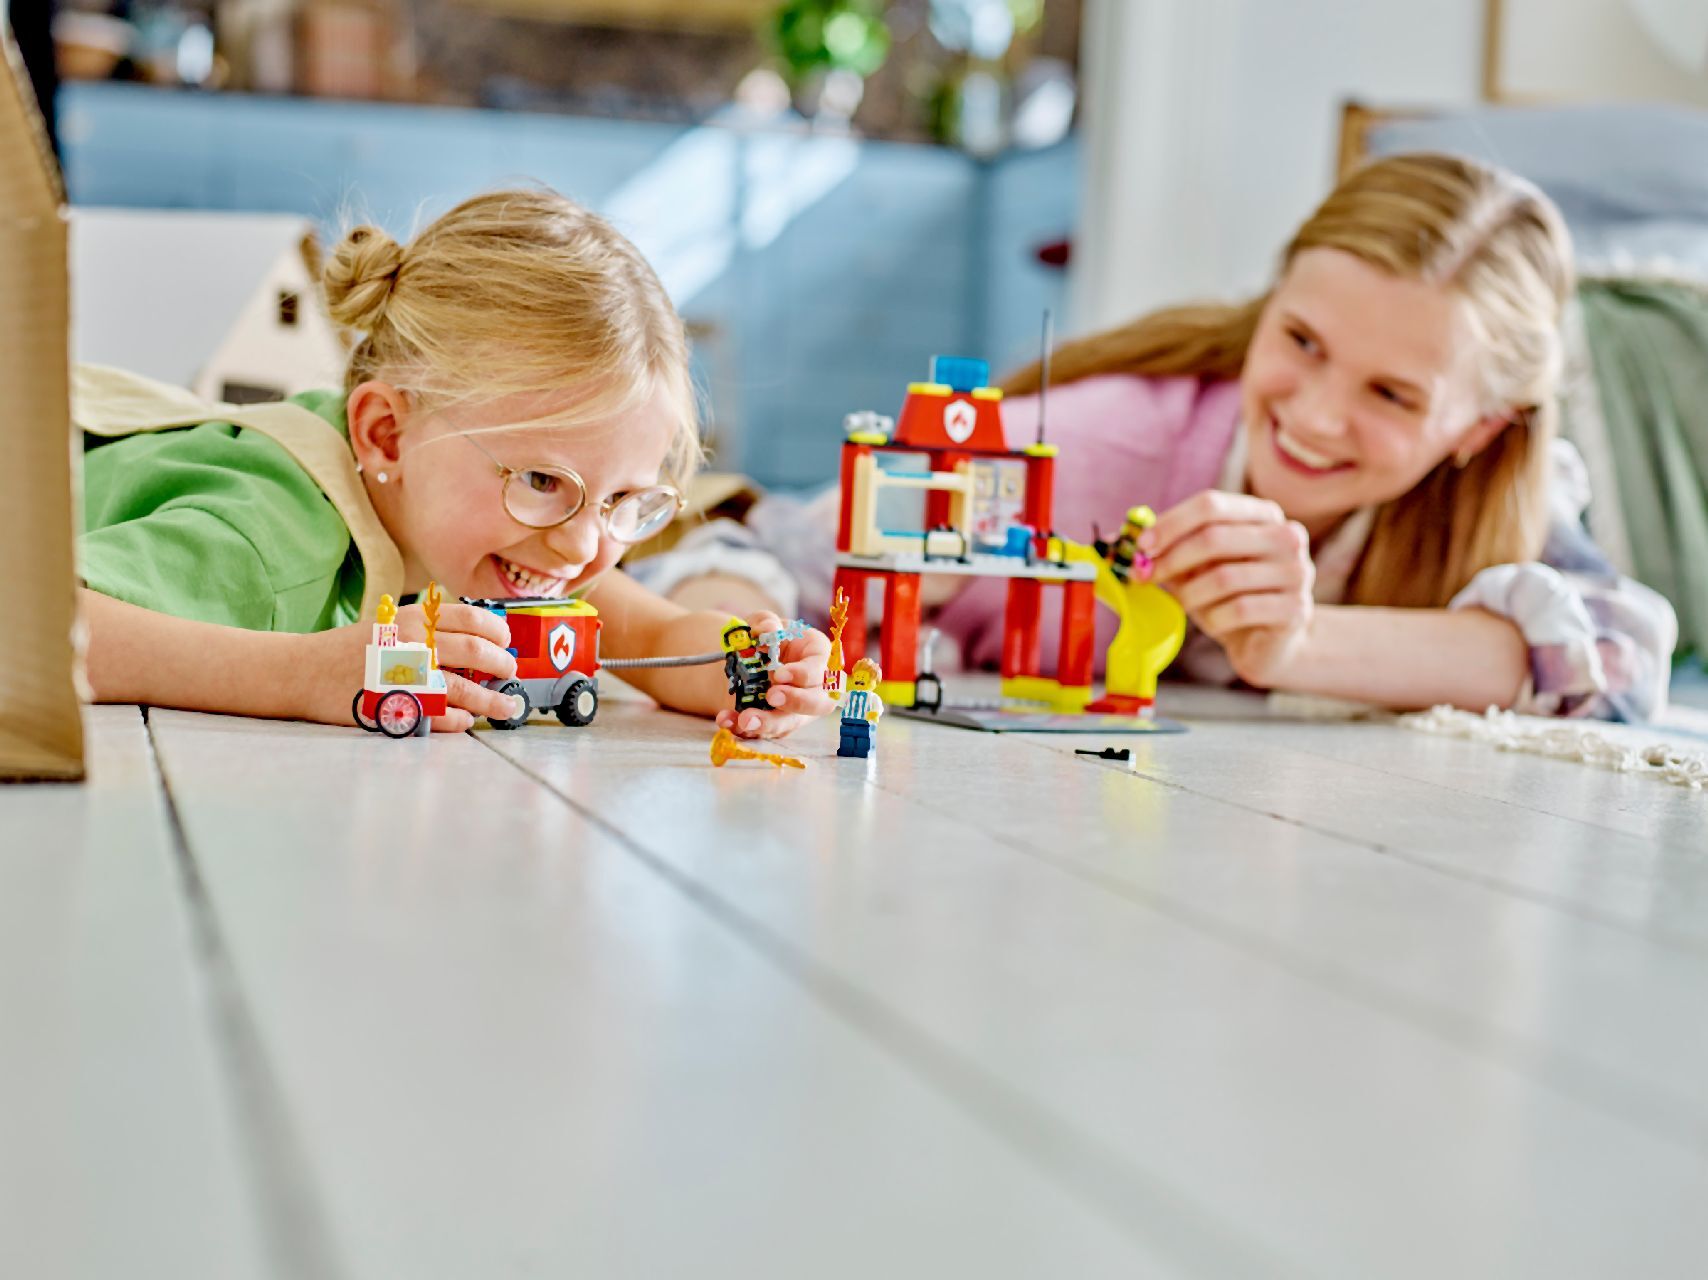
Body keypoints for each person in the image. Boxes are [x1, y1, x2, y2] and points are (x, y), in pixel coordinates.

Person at [638, 154, 1676, 721]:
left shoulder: (1495, 496)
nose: (1317, 415)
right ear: (1268, 303)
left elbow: (1620, 662)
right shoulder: (1098, 446)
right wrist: (729, 641)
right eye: (1302, 341)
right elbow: (751, 550)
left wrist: (1302, 645)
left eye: (1393, 395)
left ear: (1478, 429)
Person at [76, 189, 831, 737]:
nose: (582, 547)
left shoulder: (502, 538)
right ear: (387, 436)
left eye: (621, 500)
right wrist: (306, 674)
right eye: (541, 480)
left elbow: (658, 638)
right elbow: (38, 630)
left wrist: (753, 670)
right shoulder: (270, 539)